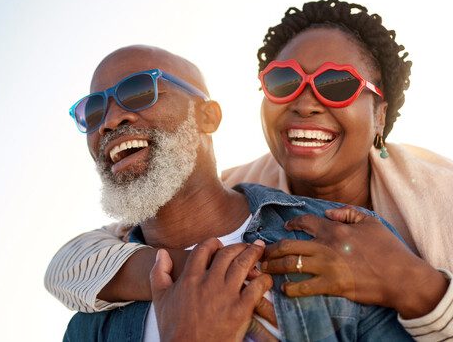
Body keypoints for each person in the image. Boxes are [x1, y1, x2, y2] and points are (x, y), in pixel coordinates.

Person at [46, 0, 453, 341]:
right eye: (283, 82)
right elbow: (76, 261)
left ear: (379, 115)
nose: (305, 102)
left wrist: (409, 284)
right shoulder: (235, 190)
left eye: (337, 84)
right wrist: (183, 274)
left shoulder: (436, 194)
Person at [59, 44, 413, 341]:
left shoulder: (340, 239)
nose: (109, 121)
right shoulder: (89, 327)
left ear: (207, 117)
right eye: (93, 112)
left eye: (138, 92)